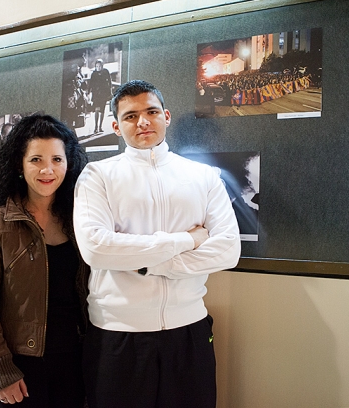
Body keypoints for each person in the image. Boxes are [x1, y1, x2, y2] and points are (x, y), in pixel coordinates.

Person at [73, 80, 241, 408]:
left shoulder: (204, 176)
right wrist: (187, 240)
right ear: (116, 127)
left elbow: (228, 249)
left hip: (189, 330)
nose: (143, 122)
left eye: (151, 112)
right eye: (130, 116)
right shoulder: (97, 176)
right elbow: (96, 248)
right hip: (117, 334)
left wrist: (151, 264)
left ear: (166, 116)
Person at [0, 113, 89, 407]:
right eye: (36, 159)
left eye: (57, 159)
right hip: (18, 368)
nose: (47, 169)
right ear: (20, 164)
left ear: (69, 164)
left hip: (76, 364)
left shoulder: (82, 220)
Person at [86, 59, 112, 133]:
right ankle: (95, 127)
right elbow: (90, 83)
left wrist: (110, 92)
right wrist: (88, 92)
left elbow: (109, 82)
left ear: (102, 66)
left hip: (104, 94)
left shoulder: (106, 72)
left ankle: (100, 127)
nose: (98, 68)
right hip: (96, 95)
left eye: (100, 66)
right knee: (96, 110)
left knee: (102, 111)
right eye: (97, 66)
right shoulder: (94, 74)